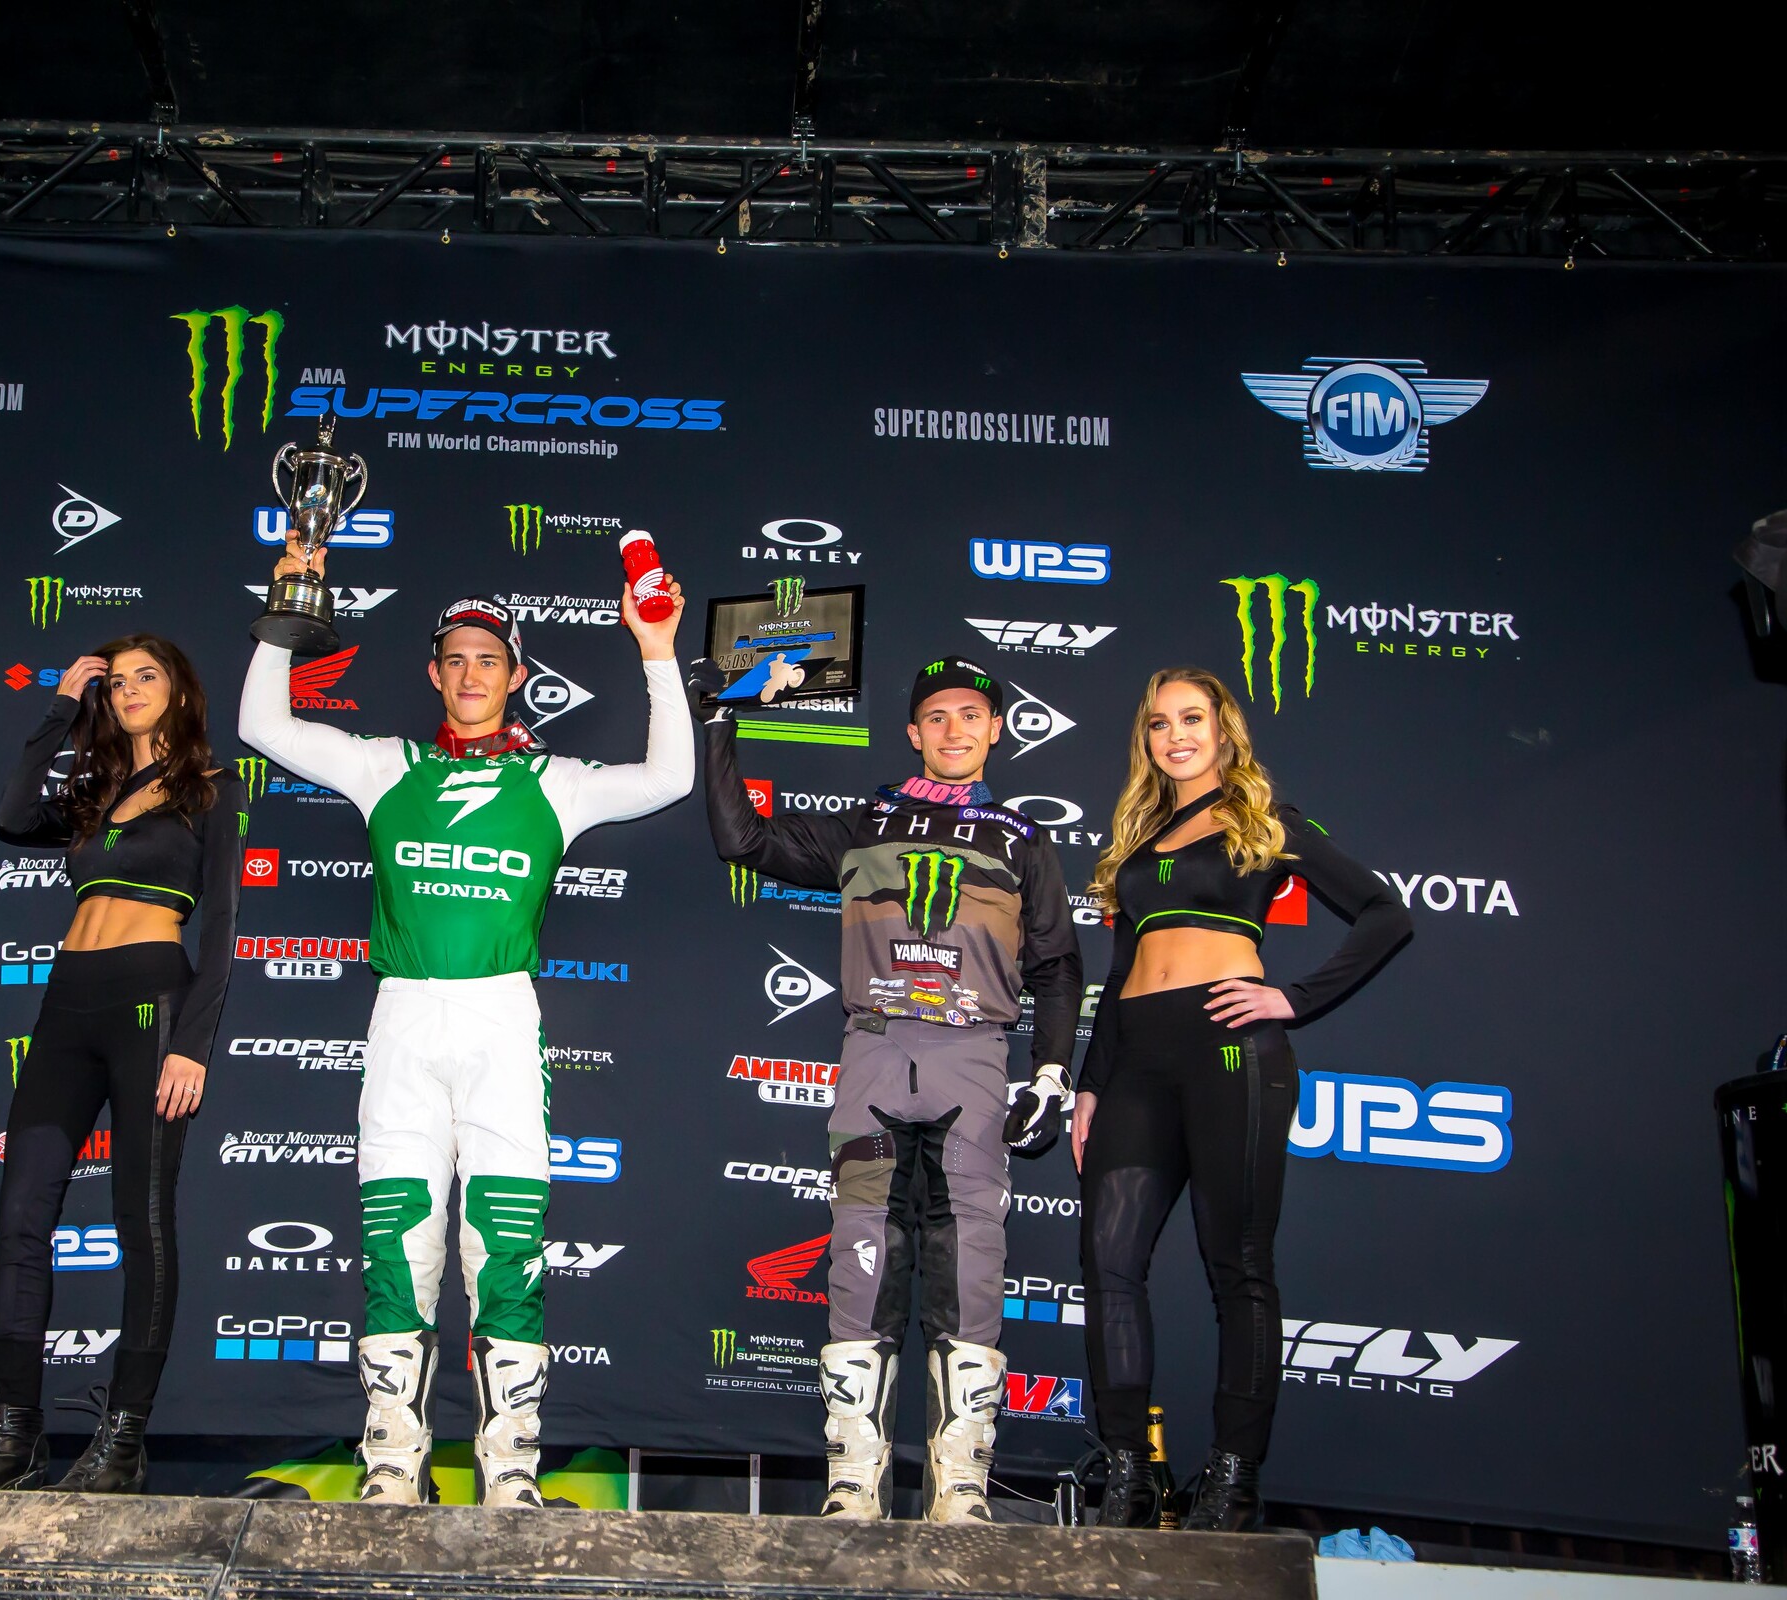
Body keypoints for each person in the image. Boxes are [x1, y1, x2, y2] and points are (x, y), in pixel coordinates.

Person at [239, 555, 691, 1508]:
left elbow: (673, 778)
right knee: (397, 1246)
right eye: (456, 659)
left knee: (507, 1245)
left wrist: (656, 651)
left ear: (516, 673)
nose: (474, 674)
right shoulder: (385, 767)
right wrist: (288, 606)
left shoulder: (555, 781)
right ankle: (392, 1471)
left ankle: (510, 1473)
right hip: (402, 1017)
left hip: (501, 1023)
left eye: (490, 659)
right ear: (435, 673)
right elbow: (261, 726)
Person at [703, 652, 1082, 1523]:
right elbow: (744, 840)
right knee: (861, 1256)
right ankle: (853, 1481)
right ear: (914, 734)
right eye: (937, 717)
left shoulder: (1023, 841)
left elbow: (1058, 968)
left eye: (971, 715)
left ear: (996, 730)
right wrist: (721, 721)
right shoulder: (866, 821)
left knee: (970, 1264)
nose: (955, 730)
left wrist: (1054, 1075)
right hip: (874, 1054)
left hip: (974, 1057)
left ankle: (962, 1488)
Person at [1073, 667, 1411, 1532]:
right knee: (1110, 1265)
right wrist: (1089, 1086)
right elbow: (1117, 976)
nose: (1175, 735)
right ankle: (1126, 1474)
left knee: (1240, 1269)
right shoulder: (1141, 839)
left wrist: (1295, 998)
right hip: (1138, 1059)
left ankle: (1232, 1477)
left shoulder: (1269, 824)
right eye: (1158, 723)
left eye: (1193, 718)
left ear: (1225, 730)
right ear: (1145, 739)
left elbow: (1384, 914)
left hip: (1231, 1048)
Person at [0, 636, 243, 1494]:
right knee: (21, 1213)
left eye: (145, 677)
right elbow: (10, 816)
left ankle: (122, 1437)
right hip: (65, 1005)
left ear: (181, 692)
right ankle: (15, 1425)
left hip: (152, 1001)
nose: (127, 691)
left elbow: (222, 925)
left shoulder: (210, 790)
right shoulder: (93, 790)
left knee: (141, 1220)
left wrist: (192, 1042)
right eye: (116, 683)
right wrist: (58, 708)